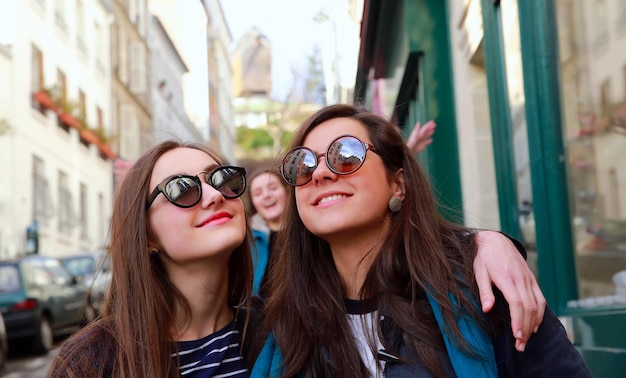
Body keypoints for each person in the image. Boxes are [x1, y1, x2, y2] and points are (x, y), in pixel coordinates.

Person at [260, 104, 591, 377]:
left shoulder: (480, 286)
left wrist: (483, 242)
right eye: (302, 165)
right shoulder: (284, 327)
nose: (320, 173)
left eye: (346, 155)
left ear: (398, 185)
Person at [47, 141, 270, 377]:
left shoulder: (281, 333)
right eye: (182, 189)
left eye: (221, 178)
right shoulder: (88, 363)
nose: (215, 195)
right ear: (147, 236)